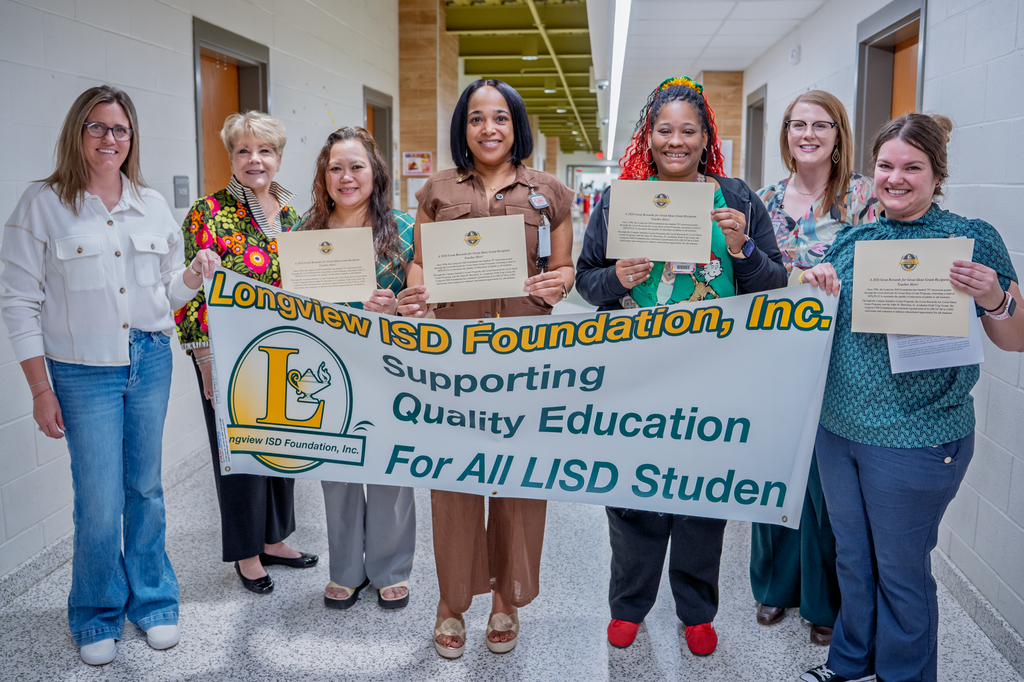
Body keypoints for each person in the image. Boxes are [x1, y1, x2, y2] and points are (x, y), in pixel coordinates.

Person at [797, 113, 1024, 682]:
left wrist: (994, 296)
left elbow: (1014, 339)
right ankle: (850, 664)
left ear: (936, 173)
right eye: (885, 166)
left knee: (900, 568)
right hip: (838, 430)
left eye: (911, 167)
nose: (895, 178)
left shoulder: (970, 240)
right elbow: (819, 322)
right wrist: (815, 283)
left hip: (918, 436)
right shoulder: (855, 238)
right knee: (852, 559)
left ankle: (903, 675)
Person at [0, 85, 220, 665]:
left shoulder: (149, 202)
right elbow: (19, 301)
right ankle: (96, 611)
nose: (109, 139)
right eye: (97, 127)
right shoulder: (42, 204)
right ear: (78, 133)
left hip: (149, 359)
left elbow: (166, 291)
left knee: (144, 489)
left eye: (120, 129)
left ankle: (153, 602)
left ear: (132, 138)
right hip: (80, 371)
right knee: (98, 500)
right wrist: (39, 388)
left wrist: (194, 275)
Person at [575, 76, 787, 657]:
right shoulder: (622, 198)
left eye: (687, 131)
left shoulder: (738, 197)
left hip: (718, 374)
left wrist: (743, 250)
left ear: (704, 137)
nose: (675, 141)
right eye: (664, 130)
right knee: (635, 492)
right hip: (639, 373)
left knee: (702, 496)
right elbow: (586, 279)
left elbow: (777, 287)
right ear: (651, 135)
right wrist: (614, 280)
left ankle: (696, 610)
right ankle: (629, 606)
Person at [397, 78, 575, 659]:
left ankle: (505, 599)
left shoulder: (548, 191)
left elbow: (564, 266)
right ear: (463, 127)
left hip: (525, 361)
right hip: (454, 359)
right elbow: (419, 264)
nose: (489, 128)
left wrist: (561, 280)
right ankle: (451, 602)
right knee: (452, 476)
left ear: (516, 124)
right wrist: (415, 294)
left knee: (519, 479)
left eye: (500, 117)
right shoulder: (438, 190)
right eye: (477, 118)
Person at [749, 90, 877, 646]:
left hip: (842, 357)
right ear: (785, 134)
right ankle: (773, 589)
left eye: (820, 126)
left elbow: (882, 270)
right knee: (776, 474)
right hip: (776, 357)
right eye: (797, 125)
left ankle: (825, 601)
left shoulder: (864, 198)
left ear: (838, 133)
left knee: (828, 488)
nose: (808, 135)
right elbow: (749, 277)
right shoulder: (764, 200)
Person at [176, 111, 317, 595]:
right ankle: (245, 551)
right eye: (243, 151)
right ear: (230, 156)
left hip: (286, 350)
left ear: (279, 157)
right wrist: (204, 358)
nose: (254, 160)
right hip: (228, 353)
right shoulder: (208, 212)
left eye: (265, 151)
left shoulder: (296, 214)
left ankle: (275, 538)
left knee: (283, 446)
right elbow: (191, 292)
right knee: (236, 451)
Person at [281, 127, 415, 611]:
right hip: (324, 368)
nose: (346, 176)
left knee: (388, 467)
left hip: (387, 366)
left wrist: (395, 306)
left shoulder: (403, 228)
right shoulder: (303, 232)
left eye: (356, 166)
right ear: (323, 175)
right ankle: (346, 570)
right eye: (335, 167)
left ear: (375, 172)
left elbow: (421, 302)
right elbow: (289, 305)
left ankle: (390, 568)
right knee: (336, 467)